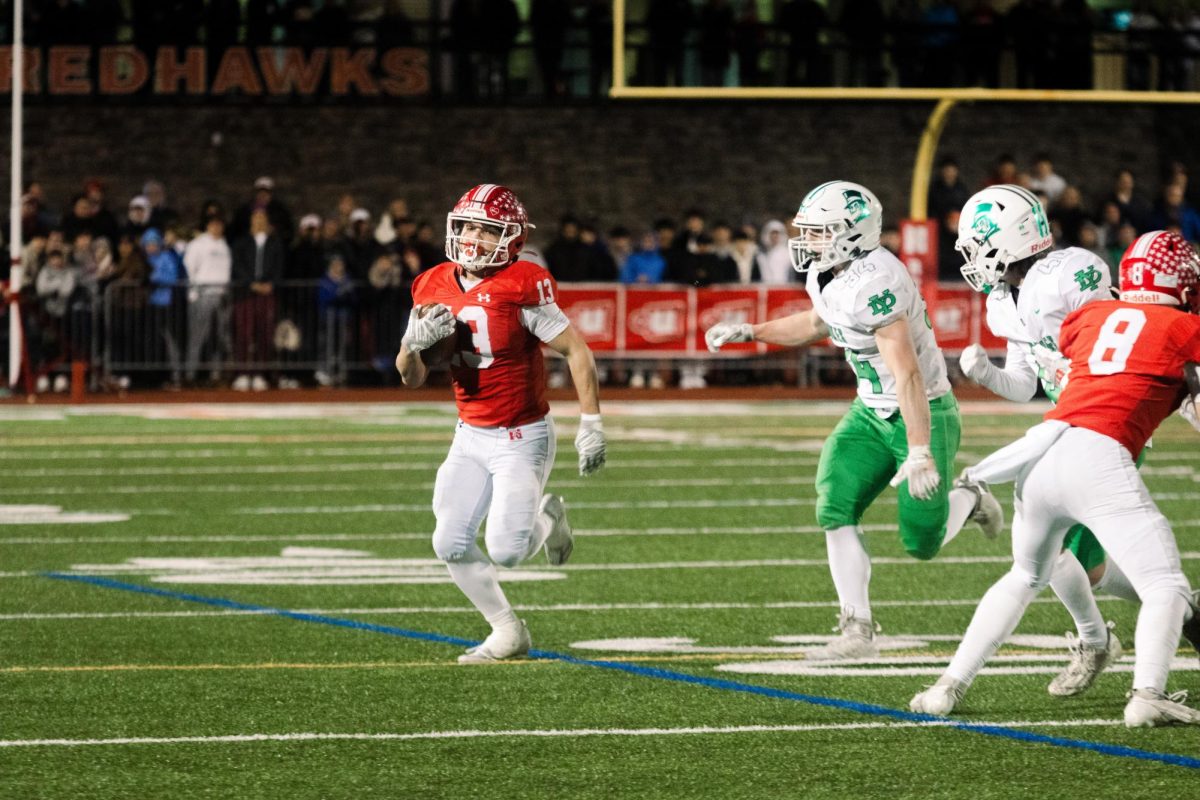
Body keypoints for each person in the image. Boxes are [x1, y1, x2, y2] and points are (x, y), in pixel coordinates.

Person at [911, 230, 1200, 727]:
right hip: (1100, 455)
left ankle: (947, 686)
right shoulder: (1184, 328)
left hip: (1043, 453)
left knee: (1025, 575)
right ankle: (1147, 693)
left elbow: (1078, 362)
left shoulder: (1089, 317)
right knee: (1166, 584)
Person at [705, 180, 1002, 659]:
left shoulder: (874, 283)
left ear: (852, 234)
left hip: (920, 409)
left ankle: (969, 497)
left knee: (921, 542)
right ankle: (857, 628)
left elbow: (906, 374)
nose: (809, 241)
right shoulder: (828, 272)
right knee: (834, 501)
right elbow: (818, 322)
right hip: (870, 410)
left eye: (820, 233)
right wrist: (751, 330)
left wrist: (921, 449)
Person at [396, 184, 607, 663]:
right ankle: (507, 631)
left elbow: (576, 350)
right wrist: (411, 344)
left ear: (510, 239)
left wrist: (590, 421)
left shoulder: (523, 283)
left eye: (487, 230)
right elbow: (411, 378)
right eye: (468, 226)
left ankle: (547, 516)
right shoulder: (430, 284)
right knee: (448, 540)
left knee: (508, 550)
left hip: (521, 434)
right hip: (469, 434)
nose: (473, 238)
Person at [955, 183, 1135, 697]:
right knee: (1085, 565)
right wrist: (986, 375)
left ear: (1007, 239)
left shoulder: (1069, 273)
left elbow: (1112, 354)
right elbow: (1025, 385)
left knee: (1053, 546)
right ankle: (1173, 605)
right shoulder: (1002, 299)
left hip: (1108, 415)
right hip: (1068, 419)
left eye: (975, 242)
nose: (969, 255)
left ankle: (1098, 640)